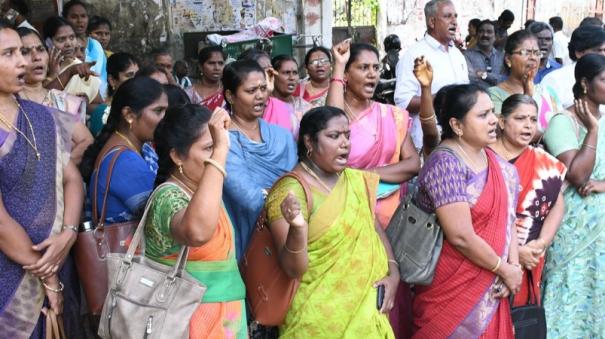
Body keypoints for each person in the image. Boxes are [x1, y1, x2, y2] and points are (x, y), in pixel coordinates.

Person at [266, 106, 397, 338]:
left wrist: (393, 274)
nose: (345, 143)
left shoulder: (355, 180)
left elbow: (374, 229)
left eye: (347, 135)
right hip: (317, 320)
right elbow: (292, 268)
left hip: (367, 313)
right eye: (334, 136)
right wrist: (297, 228)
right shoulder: (290, 192)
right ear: (309, 141)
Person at [413, 84, 522, 337]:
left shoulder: (497, 164)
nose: (494, 120)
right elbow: (460, 236)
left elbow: (508, 220)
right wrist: (503, 269)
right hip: (451, 287)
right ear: (457, 125)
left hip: (495, 281)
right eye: (483, 115)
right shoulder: (445, 164)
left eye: (492, 112)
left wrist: (513, 267)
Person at [327, 40, 420, 338]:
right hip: (348, 219)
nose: (371, 75)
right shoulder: (336, 116)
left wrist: (362, 176)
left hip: (391, 217)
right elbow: (327, 136)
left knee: (392, 296)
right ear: (346, 73)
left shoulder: (391, 115)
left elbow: (412, 164)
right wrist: (337, 68)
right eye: (362, 68)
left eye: (375, 68)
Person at [0, 20, 84, 338]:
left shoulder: (42, 116)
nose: (23, 61)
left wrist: (69, 233)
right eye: (9, 54)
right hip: (12, 273)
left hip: (53, 257)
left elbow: (72, 179)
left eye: (22, 52)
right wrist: (47, 274)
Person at [145, 104, 247, 338]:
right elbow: (197, 233)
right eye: (208, 148)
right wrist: (220, 150)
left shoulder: (205, 192)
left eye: (219, 146)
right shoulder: (168, 197)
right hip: (186, 322)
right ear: (177, 156)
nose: (220, 155)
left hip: (226, 318)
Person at [542, 53, 605, 338]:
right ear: (584, 83)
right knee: (569, 299)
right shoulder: (562, 122)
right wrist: (592, 129)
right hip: (571, 235)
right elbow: (578, 175)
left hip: (601, 236)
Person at [489, 94, 566, 307]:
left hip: (530, 257)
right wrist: (515, 254)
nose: (528, 126)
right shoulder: (484, 158)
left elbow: (557, 205)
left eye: (533, 120)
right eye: (520, 119)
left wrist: (540, 244)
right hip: (488, 257)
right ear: (502, 122)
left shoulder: (545, 163)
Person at [222, 59, 297, 259]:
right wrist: (284, 198)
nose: (260, 96)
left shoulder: (282, 136)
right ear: (230, 95)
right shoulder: (224, 141)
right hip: (245, 235)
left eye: (263, 88)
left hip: (291, 231)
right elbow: (249, 199)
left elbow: (296, 184)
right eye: (251, 91)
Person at [79, 77, 167, 226]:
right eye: (158, 111)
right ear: (129, 115)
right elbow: (163, 220)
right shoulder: (125, 162)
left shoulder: (130, 147)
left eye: (165, 111)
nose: (164, 118)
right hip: (125, 247)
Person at [394, 0, 469, 149]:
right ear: (432, 21)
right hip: (428, 144)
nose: (454, 21)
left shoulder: (457, 54)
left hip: (460, 140)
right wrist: (442, 98)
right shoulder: (415, 55)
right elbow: (404, 103)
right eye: (448, 16)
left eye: (455, 16)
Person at [17, 27, 93, 165]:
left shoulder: (61, 101)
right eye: (25, 52)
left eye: (40, 49)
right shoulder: (10, 103)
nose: (37, 57)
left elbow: (86, 141)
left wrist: (57, 171)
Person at [488, 30, 561, 134]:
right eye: (526, 53)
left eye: (536, 53)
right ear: (508, 59)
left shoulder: (547, 92)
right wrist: (527, 97)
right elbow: (503, 132)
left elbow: (562, 128)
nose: (533, 58)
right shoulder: (493, 95)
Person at [541, 24, 605, 110]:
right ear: (579, 52)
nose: (603, 55)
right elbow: (546, 118)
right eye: (598, 50)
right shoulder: (555, 80)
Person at [237, 48, 299, 137]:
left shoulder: (281, 107)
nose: (270, 73)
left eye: (270, 69)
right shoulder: (234, 106)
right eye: (264, 69)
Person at [42, 16, 102, 106]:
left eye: (72, 37)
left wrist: (85, 103)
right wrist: (52, 75)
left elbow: (99, 104)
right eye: (61, 39)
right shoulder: (39, 68)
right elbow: (40, 102)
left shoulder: (80, 67)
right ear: (48, 42)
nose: (69, 44)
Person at [62, 0, 107, 98]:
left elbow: (104, 76)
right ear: (65, 18)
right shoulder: (63, 46)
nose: (80, 21)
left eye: (83, 16)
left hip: (99, 99)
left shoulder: (96, 45)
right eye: (74, 17)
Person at [89, 52, 139, 136]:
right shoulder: (102, 113)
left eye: (138, 75)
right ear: (112, 80)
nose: (136, 80)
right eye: (129, 76)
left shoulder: (140, 107)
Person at [271, 54, 313, 134]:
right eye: (286, 73)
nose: (292, 77)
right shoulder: (266, 106)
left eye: (295, 73)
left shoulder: (304, 107)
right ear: (273, 76)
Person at [464, 20, 505, 89]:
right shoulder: (467, 56)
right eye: (481, 31)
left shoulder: (502, 57)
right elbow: (471, 78)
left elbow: (503, 79)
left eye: (489, 32)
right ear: (476, 35)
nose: (485, 35)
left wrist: (484, 75)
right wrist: (494, 77)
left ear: (495, 36)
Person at [186, 45, 226, 110]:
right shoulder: (189, 94)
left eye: (220, 63)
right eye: (211, 63)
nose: (217, 68)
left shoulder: (230, 91)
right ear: (200, 67)